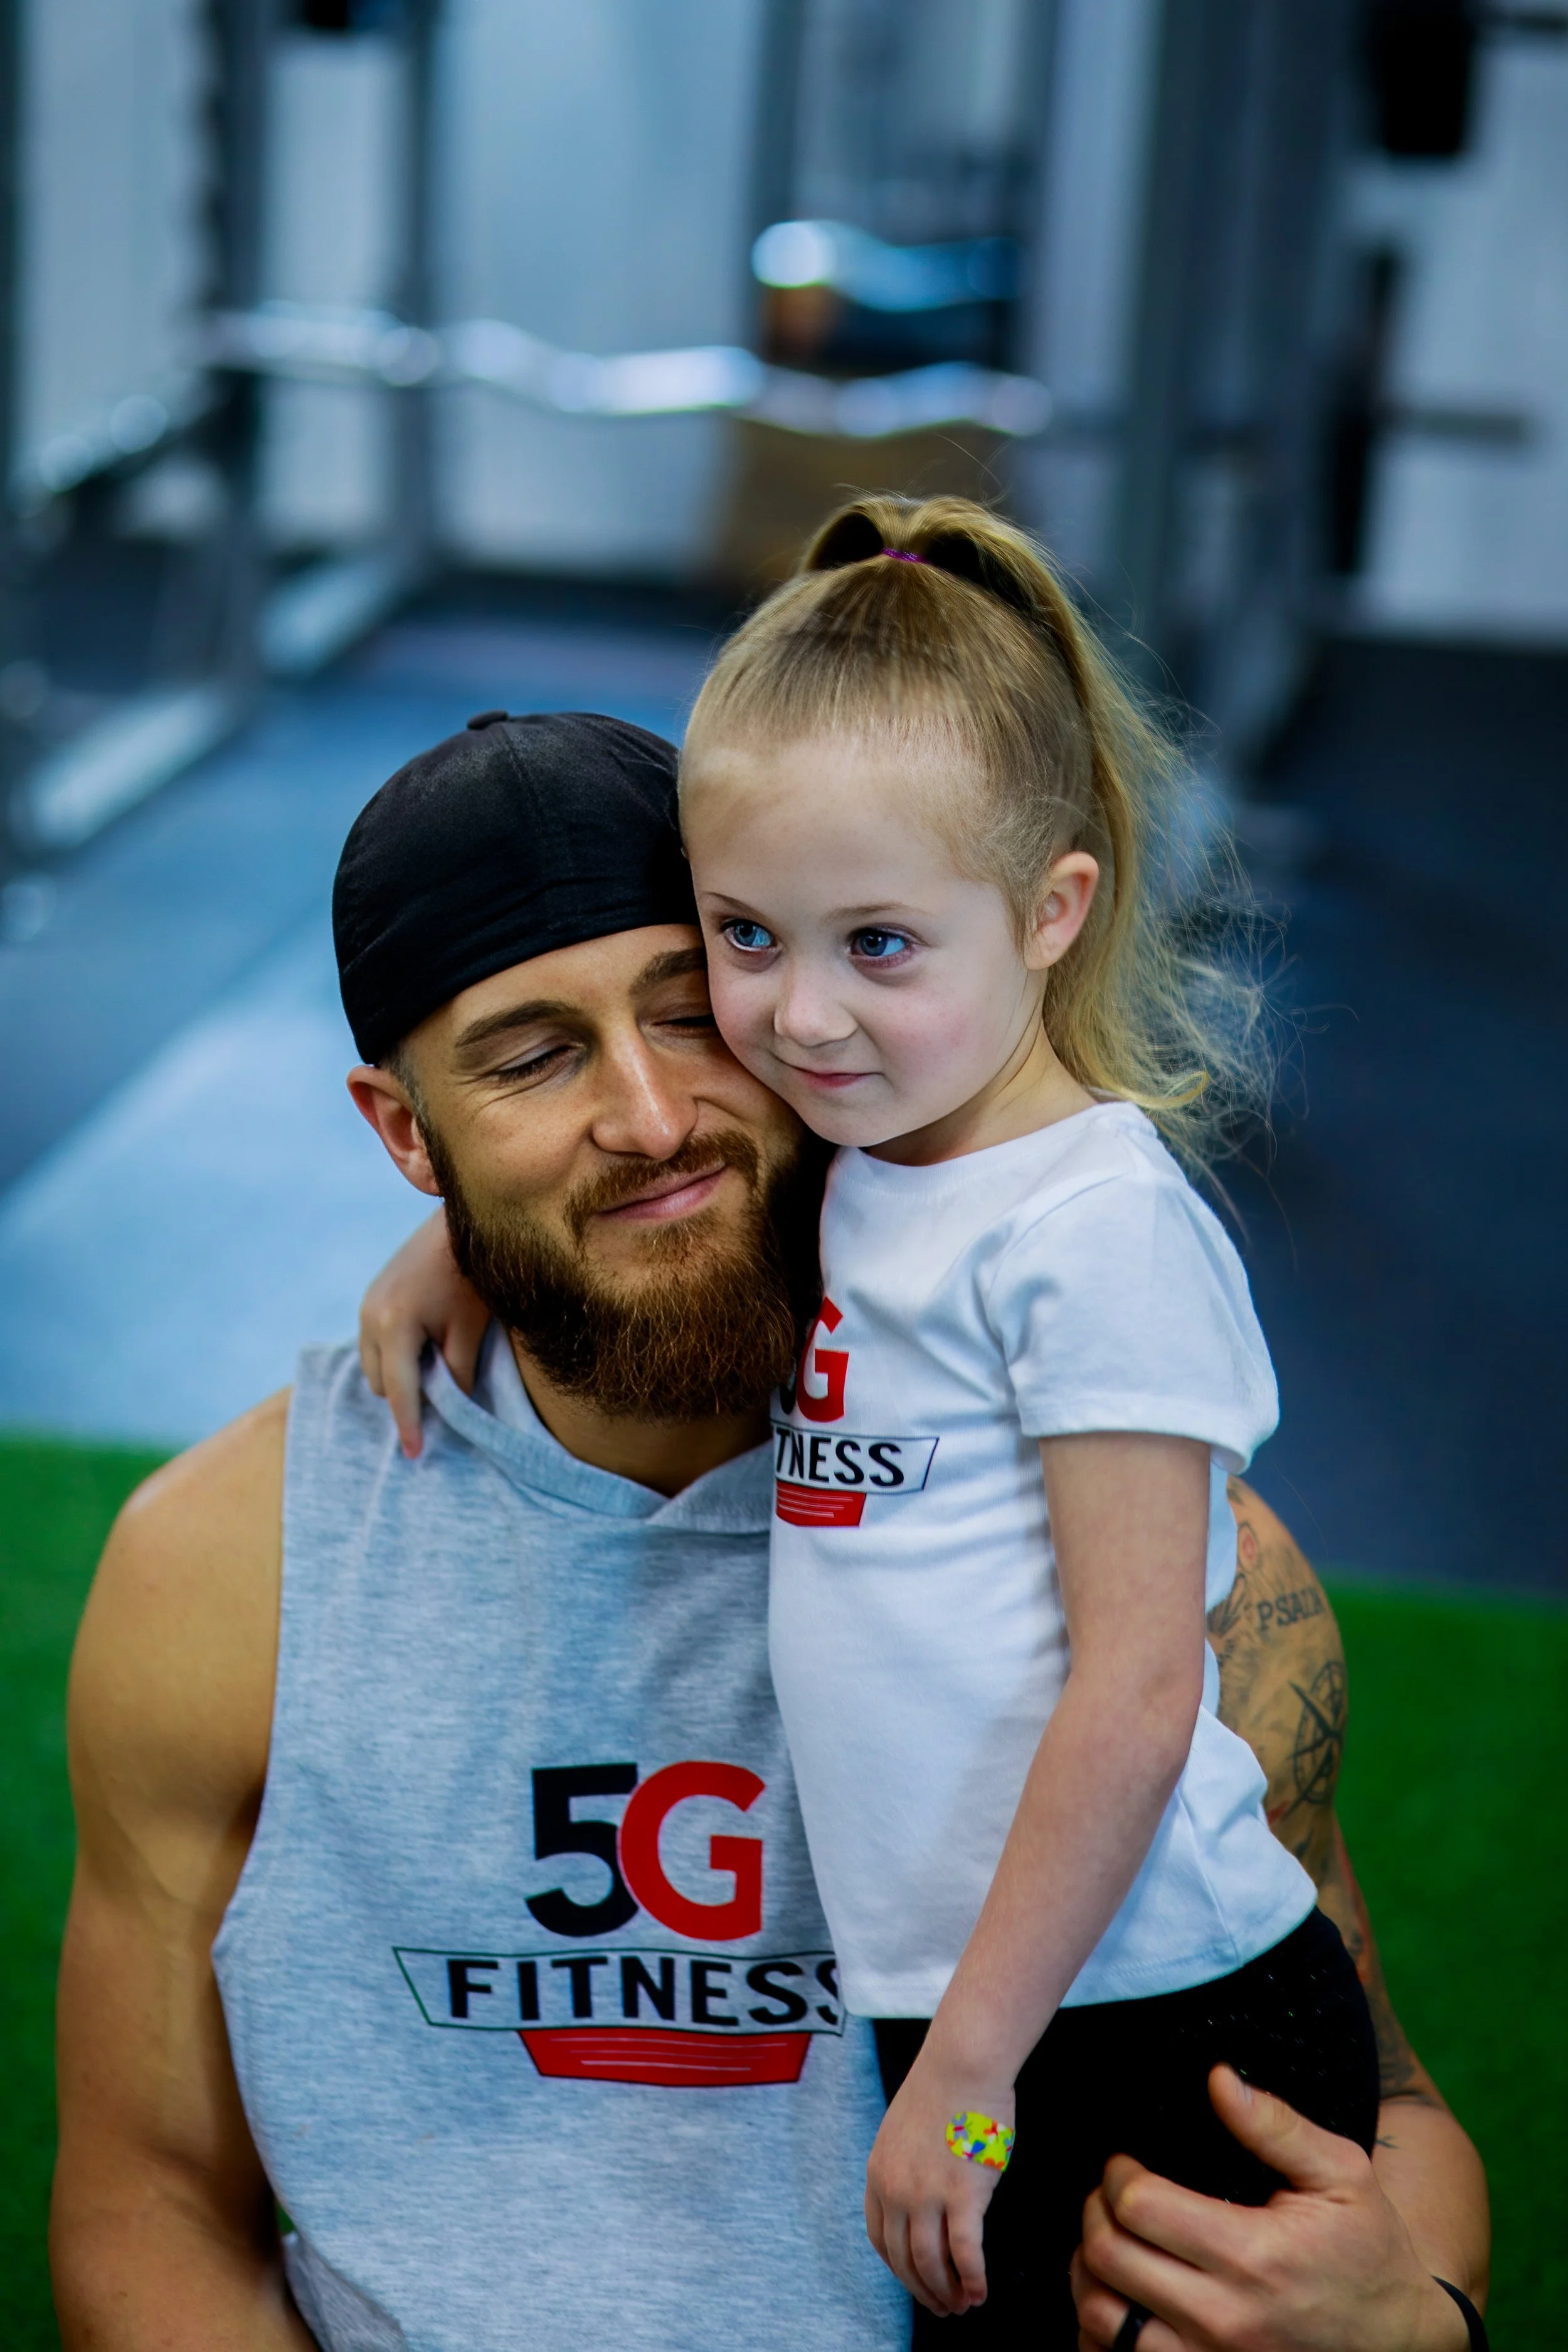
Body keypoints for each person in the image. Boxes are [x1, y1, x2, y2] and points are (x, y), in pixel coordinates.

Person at [50, 712, 1487, 2352]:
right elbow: (147, 2195)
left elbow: (1379, 2106)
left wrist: (1415, 2315)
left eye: (692, 1013)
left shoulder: (1124, 1555)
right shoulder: (230, 1566)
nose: (653, 1116)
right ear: (402, 1130)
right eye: (531, 1056)